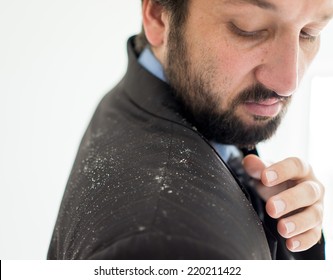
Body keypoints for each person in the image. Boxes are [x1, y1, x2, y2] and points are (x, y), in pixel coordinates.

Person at [48, 0, 332, 260]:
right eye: (249, 28)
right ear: (159, 15)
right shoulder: (168, 249)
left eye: (310, 32)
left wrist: (292, 238)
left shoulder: (140, 96)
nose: (288, 81)